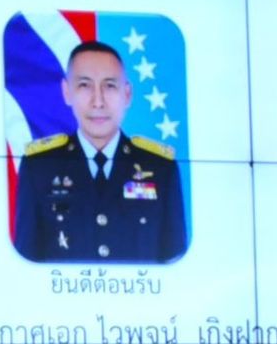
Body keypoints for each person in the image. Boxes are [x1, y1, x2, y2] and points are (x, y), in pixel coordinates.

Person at [12, 39, 188, 265]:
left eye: (110, 86)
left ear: (127, 94)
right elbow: (25, 266)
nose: (98, 101)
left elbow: (176, 265)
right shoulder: (39, 166)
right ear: (66, 92)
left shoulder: (161, 167)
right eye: (84, 85)